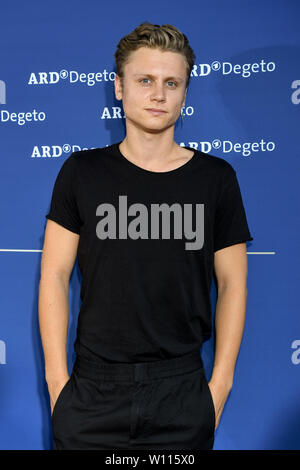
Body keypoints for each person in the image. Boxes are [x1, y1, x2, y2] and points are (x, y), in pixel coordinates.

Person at [38, 22, 254, 450]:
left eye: (172, 83)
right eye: (145, 81)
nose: (159, 94)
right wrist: (57, 384)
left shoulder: (216, 179)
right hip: (92, 395)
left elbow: (233, 284)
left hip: (181, 393)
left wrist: (220, 387)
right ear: (119, 88)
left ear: (185, 94)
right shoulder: (82, 172)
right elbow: (55, 276)